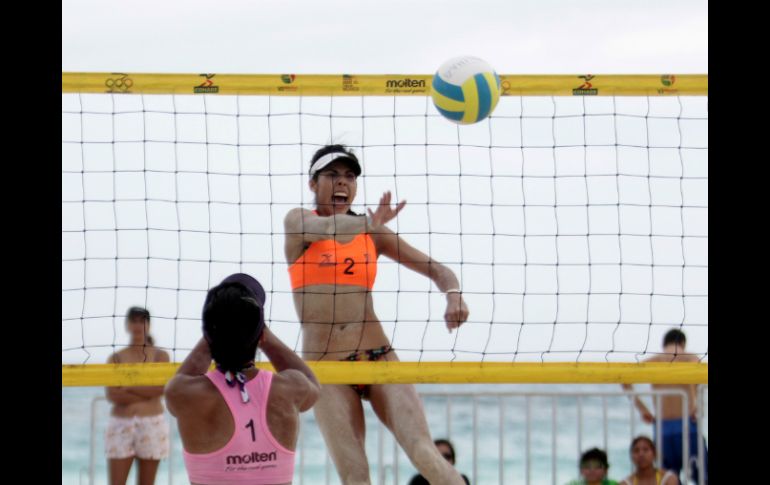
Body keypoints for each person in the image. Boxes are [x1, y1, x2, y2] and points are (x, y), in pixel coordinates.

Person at [284, 144, 470, 484]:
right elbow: (331, 230)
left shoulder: (371, 231)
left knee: (428, 457)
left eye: (350, 176)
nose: (343, 183)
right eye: (333, 175)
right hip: (327, 369)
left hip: (379, 355)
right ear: (314, 184)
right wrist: (372, 223)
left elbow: (439, 271)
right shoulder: (298, 222)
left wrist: (453, 296)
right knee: (356, 475)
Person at [164, 273, 321, 485]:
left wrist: (216, 331)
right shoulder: (291, 387)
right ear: (261, 334)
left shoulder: (184, 393)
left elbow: (183, 376)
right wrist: (261, 334)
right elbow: (313, 383)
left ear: (208, 334)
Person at [622, 329, 707, 484]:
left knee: (667, 479)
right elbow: (696, 378)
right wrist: (696, 405)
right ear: (683, 343)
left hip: (662, 428)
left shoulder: (654, 360)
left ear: (664, 343)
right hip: (688, 426)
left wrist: (643, 410)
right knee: (703, 477)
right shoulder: (690, 358)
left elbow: (625, 381)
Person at [105, 306, 170, 485]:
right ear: (127, 325)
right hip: (121, 424)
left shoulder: (160, 355)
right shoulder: (116, 357)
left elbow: (160, 389)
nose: (137, 325)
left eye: (142, 320)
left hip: (152, 423)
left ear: (148, 325)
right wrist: (146, 390)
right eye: (133, 320)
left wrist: (127, 387)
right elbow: (113, 395)